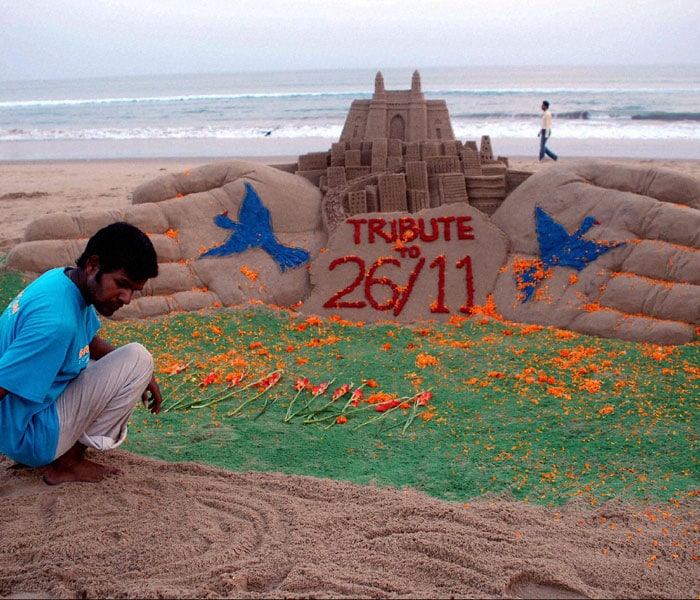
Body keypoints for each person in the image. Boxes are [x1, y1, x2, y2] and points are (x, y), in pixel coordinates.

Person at [0, 222, 163, 485]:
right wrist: (138, 370)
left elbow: (89, 339)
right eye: (121, 284)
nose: (126, 298)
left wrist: (142, 377)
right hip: (29, 436)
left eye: (133, 290)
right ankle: (67, 464)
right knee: (139, 357)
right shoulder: (56, 324)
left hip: (14, 422)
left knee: (131, 363)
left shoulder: (62, 279)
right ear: (93, 265)